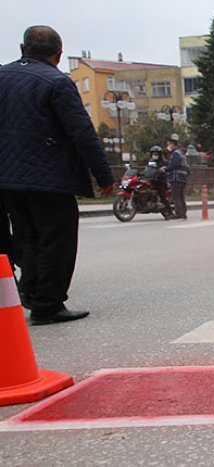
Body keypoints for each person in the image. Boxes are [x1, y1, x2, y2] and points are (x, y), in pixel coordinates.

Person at [0, 25, 115, 325]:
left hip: (7, 180)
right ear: (58, 55)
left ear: (22, 48)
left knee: (27, 235)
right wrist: (103, 174)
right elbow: (81, 132)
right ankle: (48, 304)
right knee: (56, 240)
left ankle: (30, 291)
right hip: (49, 179)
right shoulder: (56, 82)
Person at [163, 135, 189, 220]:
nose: (168, 145)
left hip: (176, 178)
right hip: (182, 178)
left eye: (169, 143)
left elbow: (175, 165)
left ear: (173, 143)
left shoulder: (175, 153)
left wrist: (166, 169)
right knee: (181, 196)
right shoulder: (181, 153)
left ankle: (178, 213)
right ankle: (183, 213)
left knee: (176, 196)